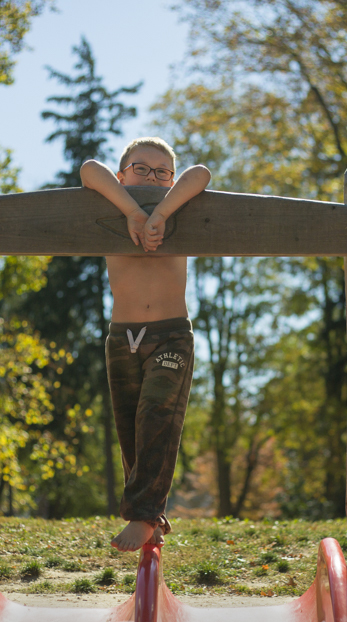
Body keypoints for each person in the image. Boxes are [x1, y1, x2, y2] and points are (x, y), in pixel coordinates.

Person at [80, 137, 211, 552]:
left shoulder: (179, 205)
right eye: (141, 168)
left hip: (171, 333)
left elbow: (201, 175)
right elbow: (88, 170)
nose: (153, 177)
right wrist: (135, 213)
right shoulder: (112, 205)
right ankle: (151, 514)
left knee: (157, 415)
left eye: (162, 172)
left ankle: (141, 516)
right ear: (122, 175)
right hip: (122, 338)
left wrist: (161, 213)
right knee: (131, 434)